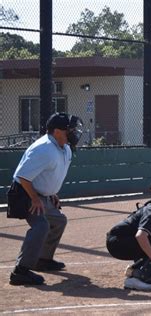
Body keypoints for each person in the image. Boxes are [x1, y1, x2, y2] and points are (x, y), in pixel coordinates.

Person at [9, 112, 83, 286]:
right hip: (24, 193)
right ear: (57, 131)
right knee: (41, 226)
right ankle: (20, 271)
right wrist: (34, 199)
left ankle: (42, 260)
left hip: (41, 194)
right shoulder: (44, 148)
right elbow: (23, 177)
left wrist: (51, 193)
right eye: (69, 130)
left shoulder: (64, 147)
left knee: (58, 221)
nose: (73, 133)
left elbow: (48, 175)